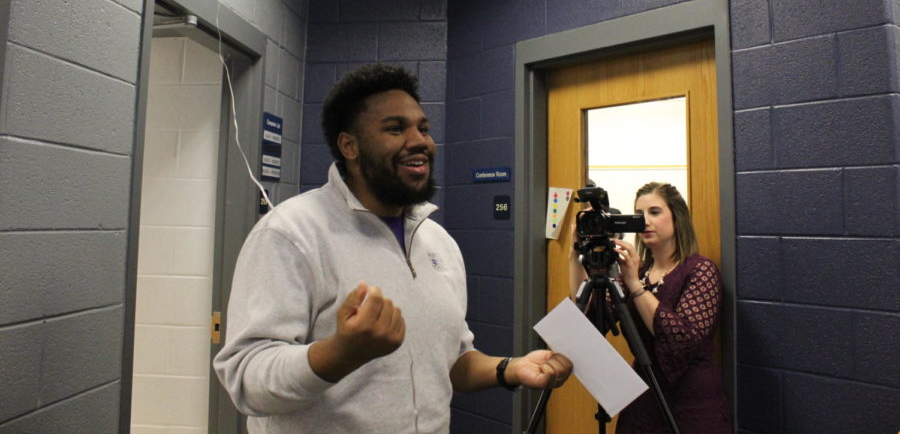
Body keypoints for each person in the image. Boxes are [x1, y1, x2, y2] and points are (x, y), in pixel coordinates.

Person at [214, 63, 572, 433]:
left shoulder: (438, 242)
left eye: (424, 128)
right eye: (395, 128)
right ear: (349, 145)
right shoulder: (292, 233)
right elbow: (246, 380)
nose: (420, 141)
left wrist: (510, 368)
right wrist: (340, 353)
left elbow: (452, 362)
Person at [568, 182, 731, 434]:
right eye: (639, 214)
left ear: (677, 217)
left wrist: (634, 284)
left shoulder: (700, 270)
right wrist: (575, 255)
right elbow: (591, 319)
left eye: (655, 212)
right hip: (644, 398)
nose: (645, 221)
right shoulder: (638, 271)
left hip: (692, 402)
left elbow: (681, 340)